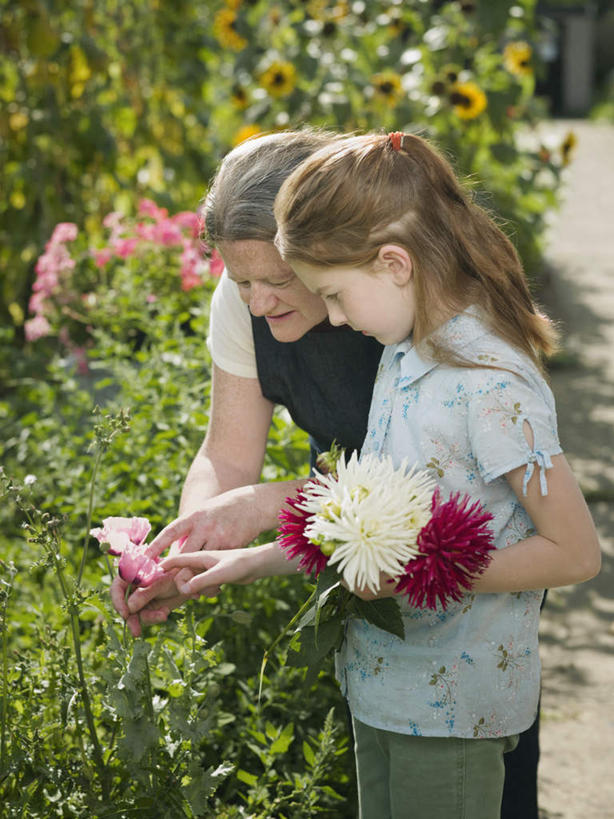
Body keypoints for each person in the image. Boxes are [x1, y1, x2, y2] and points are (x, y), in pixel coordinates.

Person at [160, 131, 601, 819]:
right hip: (388, 681)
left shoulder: (468, 369)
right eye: (241, 281)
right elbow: (364, 505)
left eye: (302, 287)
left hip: (459, 690)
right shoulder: (398, 347)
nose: (258, 302)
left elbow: (566, 547)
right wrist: (228, 554)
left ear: (383, 262)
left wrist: (420, 565)